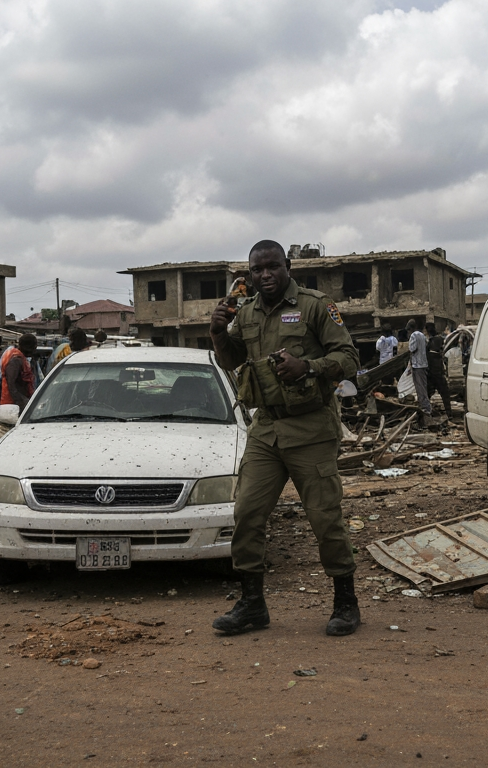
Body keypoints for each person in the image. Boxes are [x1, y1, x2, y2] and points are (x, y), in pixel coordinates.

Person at [209, 239, 361, 637]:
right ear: (249, 274)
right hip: (266, 429)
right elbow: (231, 360)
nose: (265, 275)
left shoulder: (314, 306)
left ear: (287, 267)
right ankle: (252, 604)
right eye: (257, 269)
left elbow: (349, 358)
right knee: (247, 512)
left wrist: (307, 367)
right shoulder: (246, 312)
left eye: (272, 267)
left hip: (311, 428)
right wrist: (218, 332)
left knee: (325, 518)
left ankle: (345, 602)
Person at [0, 333, 38, 406]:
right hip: (12, 404)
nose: (34, 351)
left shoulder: (20, 358)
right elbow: (11, 384)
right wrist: (23, 402)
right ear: (28, 348)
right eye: (34, 348)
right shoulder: (16, 360)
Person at [406, 320, 432, 422]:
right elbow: (426, 346)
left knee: (420, 388)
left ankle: (426, 408)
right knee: (423, 386)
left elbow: (412, 349)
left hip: (417, 365)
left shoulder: (413, 336)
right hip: (424, 363)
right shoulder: (422, 335)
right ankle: (425, 406)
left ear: (410, 329)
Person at [425, 322, 452, 416]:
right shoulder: (439, 339)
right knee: (444, 393)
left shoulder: (430, 342)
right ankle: (449, 413)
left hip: (431, 371)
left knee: (428, 393)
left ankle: (426, 413)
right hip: (438, 371)